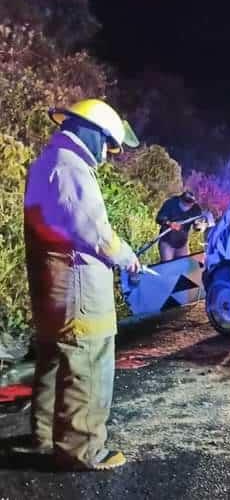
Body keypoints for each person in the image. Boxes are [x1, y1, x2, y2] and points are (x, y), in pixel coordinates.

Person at [22, 98, 141, 470]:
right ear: (94, 133)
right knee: (87, 364)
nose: (108, 153)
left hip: (53, 288)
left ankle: (44, 437)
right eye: (108, 143)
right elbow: (95, 233)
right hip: (78, 291)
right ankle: (81, 451)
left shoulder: (47, 162)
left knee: (54, 362)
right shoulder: (70, 167)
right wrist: (127, 256)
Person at [155, 190, 205, 261]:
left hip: (182, 244)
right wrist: (169, 223)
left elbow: (197, 224)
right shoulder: (171, 203)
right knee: (168, 266)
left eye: (190, 203)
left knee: (183, 266)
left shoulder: (196, 209)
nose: (187, 206)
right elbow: (159, 218)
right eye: (185, 203)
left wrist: (198, 226)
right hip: (167, 242)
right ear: (181, 198)